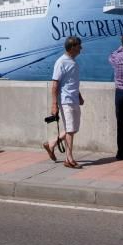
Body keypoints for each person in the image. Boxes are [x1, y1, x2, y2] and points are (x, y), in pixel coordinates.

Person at [42, 36, 84, 168]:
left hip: (74, 99)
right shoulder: (61, 62)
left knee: (72, 128)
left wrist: (79, 95)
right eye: (79, 46)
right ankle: (69, 159)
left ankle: (52, 143)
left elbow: (71, 82)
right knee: (70, 130)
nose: (81, 48)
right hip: (66, 101)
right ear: (72, 47)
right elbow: (55, 84)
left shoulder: (73, 62)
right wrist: (54, 105)